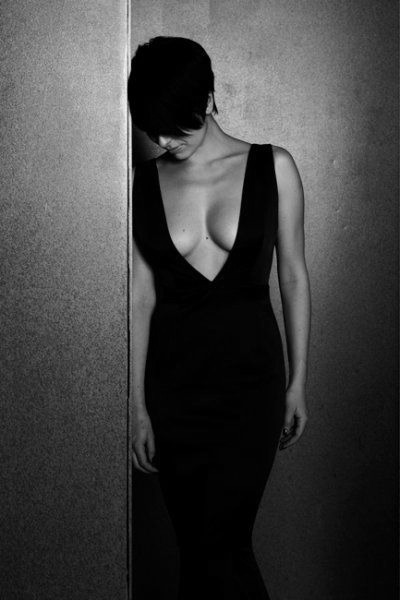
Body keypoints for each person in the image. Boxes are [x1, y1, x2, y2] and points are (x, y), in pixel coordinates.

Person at [128, 35, 311, 600]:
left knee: (224, 547)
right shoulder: (143, 183)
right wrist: (136, 404)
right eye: (152, 128)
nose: (162, 140)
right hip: (174, 392)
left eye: (172, 125)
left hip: (250, 389)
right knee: (196, 550)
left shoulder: (274, 166)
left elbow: (293, 277)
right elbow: (140, 296)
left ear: (207, 99)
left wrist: (298, 381)